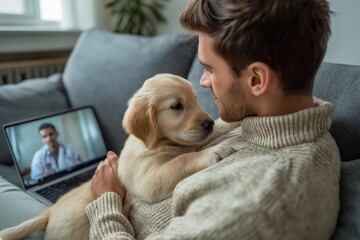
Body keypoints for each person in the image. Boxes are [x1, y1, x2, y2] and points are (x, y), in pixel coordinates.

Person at [86, 0, 341, 239]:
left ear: (256, 80)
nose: (204, 81)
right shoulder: (263, 121)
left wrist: (106, 204)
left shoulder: (260, 199)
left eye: (209, 69)